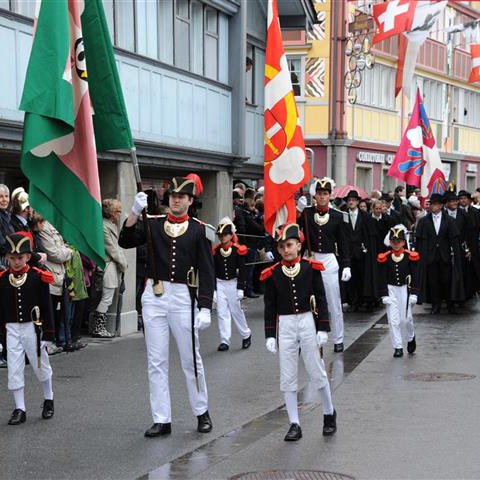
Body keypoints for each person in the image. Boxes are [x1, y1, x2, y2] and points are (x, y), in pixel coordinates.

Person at [119, 175, 215, 438]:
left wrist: (205, 305)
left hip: (183, 295)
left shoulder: (199, 229)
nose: (176, 200)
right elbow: (125, 241)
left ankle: (201, 411)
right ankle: (161, 418)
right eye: (172, 196)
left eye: (181, 197)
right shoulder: (154, 223)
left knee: (190, 358)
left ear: (190, 200)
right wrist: (134, 213)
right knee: (156, 360)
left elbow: (207, 270)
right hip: (154, 294)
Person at [261, 223, 337, 442]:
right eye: (282, 246)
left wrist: (323, 327)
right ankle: (294, 423)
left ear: (299, 245)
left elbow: (321, 298)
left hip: (307, 321)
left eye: (290, 245)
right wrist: (269, 334)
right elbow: (270, 305)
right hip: (285, 324)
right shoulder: (273, 273)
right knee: (287, 374)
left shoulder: (310, 268)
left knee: (316, 369)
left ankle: (329, 412)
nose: (286, 250)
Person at [0, 232, 56, 425]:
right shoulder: (2, 279)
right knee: (14, 368)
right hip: (11, 329)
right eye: (13, 258)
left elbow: (47, 306)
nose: (16, 262)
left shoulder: (37, 277)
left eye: (20, 258)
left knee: (41, 365)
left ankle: (48, 399)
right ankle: (19, 408)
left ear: (28, 256)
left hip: (34, 328)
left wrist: (48, 333)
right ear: (7, 257)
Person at [297, 177, 351, 353]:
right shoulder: (306, 213)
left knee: (333, 302)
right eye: (319, 194)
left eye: (325, 194)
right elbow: (297, 234)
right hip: (311, 259)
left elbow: (343, 243)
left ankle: (338, 338)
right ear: (315, 196)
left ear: (330, 196)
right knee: (309, 301)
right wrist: (297, 211)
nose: (322, 197)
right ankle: (310, 337)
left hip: (328, 260)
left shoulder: (337, 216)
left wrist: (346, 265)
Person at [415, 193, 463, 314]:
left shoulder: (449, 220)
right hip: (430, 257)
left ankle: (449, 303)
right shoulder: (424, 221)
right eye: (431, 204)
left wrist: (455, 255)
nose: (433, 207)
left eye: (435, 204)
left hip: (445, 256)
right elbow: (419, 241)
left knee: (446, 280)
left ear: (441, 206)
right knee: (433, 282)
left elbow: (454, 239)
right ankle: (435, 305)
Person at [377, 226, 419, 358]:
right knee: (393, 320)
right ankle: (398, 347)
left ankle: (411, 337)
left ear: (403, 242)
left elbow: (415, 275)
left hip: (405, 290)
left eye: (399, 241)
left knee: (406, 319)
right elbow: (382, 276)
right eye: (393, 241)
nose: (396, 244)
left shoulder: (410, 256)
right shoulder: (385, 257)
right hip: (391, 289)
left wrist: (414, 293)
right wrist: (384, 294)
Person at [212, 217, 251, 352]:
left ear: (231, 235)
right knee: (222, 312)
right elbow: (212, 271)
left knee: (236, 311)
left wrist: (241, 287)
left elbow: (243, 270)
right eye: (220, 235)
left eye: (225, 235)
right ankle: (224, 340)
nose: (222, 237)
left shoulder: (237, 250)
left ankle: (246, 334)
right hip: (220, 283)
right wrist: (214, 290)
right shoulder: (215, 251)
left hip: (233, 284)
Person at [92, 199, 128, 338]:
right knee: (106, 297)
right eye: (118, 211)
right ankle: (98, 328)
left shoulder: (109, 225)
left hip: (112, 265)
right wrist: (123, 263)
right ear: (112, 213)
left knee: (108, 297)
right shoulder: (104, 227)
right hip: (108, 265)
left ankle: (99, 327)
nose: (119, 214)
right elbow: (112, 249)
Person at [38, 218, 73, 352]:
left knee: (56, 312)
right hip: (50, 275)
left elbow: (61, 249)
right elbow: (55, 254)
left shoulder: (52, 225)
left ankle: (56, 341)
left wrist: (65, 252)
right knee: (49, 312)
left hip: (59, 275)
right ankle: (47, 343)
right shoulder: (44, 228)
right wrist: (69, 252)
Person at [342, 190, 377, 311]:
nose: (351, 202)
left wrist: (366, 247)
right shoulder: (343, 215)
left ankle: (365, 300)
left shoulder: (365, 216)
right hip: (348, 252)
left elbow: (369, 233)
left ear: (357, 202)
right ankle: (354, 302)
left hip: (362, 251)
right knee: (351, 279)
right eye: (349, 200)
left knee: (363, 276)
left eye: (353, 200)